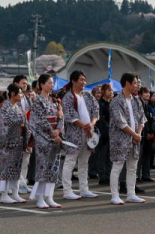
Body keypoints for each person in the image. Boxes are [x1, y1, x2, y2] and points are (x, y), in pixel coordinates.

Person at [60, 71, 100, 200]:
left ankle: (84, 189)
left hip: (88, 133)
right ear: (73, 81)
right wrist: (85, 126)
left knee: (84, 162)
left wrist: (92, 124)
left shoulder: (88, 95)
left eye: (84, 80)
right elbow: (70, 116)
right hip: (74, 134)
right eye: (81, 80)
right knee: (70, 161)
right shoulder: (68, 97)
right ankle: (67, 191)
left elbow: (96, 110)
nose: (83, 82)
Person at [27, 74, 65, 209]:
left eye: (52, 83)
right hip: (44, 138)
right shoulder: (38, 101)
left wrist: (59, 130)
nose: (51, 85)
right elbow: (40, 120)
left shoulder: (55, 101)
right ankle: (40, 198)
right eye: (49, 83)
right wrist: (52, 132)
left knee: (53, 168)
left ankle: (50, 197)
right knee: (43, 167)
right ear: (41, 85)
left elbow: (61, 117)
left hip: (55, 138)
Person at [108, 73, 146, 205]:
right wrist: (135, 135)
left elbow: (142, 119)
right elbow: (120, 122)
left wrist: (138, 133)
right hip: (120, 140)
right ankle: (114, 195)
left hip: (135, 139)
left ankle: (131, 194)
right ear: (127, 83)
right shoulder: (116, 101)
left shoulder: (136, 100)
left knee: (132, 167)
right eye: (135, 83)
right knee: (117, 166)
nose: (137, 86)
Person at [0, 84, 29, 203]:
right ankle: (4, 194)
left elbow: (22, 122)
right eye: (19, 93)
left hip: (18, 141)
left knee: (16, 168)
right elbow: (6, 123)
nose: (21, 95)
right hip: (8, 142)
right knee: (6, 168)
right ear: (12, 93)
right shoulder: (5, 107)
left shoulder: (18, 107)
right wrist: (22, 118)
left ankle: (15, 193)